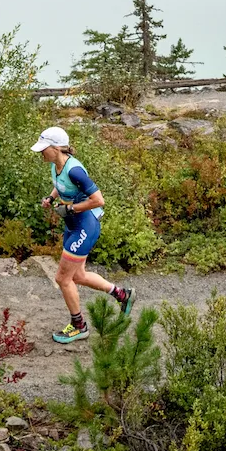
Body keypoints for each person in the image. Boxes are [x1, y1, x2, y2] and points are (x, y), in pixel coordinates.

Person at [31, 126, 134, 343]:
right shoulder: (55, 165)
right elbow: (61, 186)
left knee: (62, 278)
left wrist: (70, 209)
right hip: (73, 225)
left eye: (44, 148)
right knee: (77, 276)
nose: (41, 153)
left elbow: (99, 200)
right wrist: (50, 198)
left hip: (84, 226)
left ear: (57, 148)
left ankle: (79, 326)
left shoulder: (74, 169)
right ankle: (122, 295)